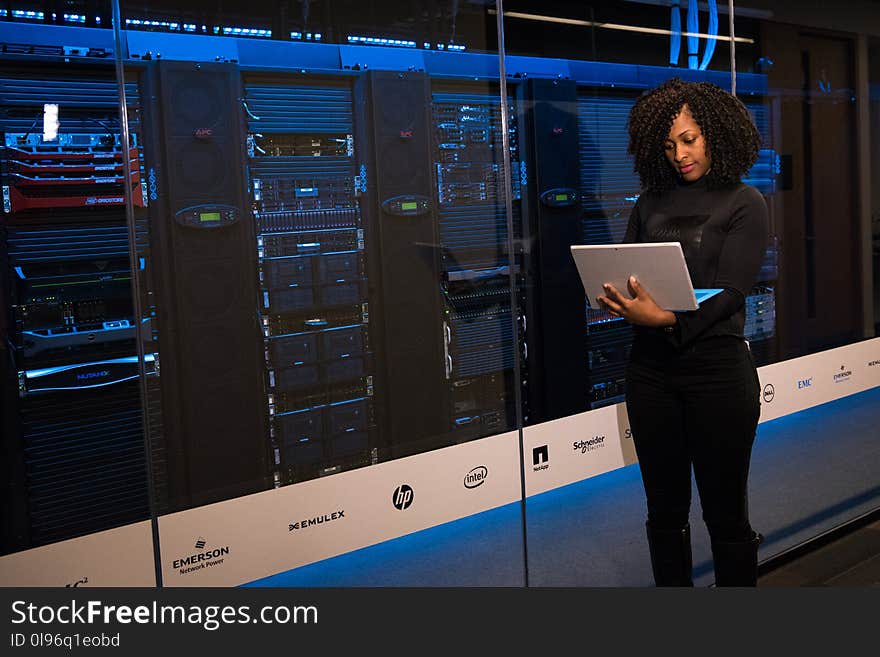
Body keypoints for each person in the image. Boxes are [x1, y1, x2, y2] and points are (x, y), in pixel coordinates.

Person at [597, 78, 769, 587]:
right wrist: (621, 299)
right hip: (651, 375)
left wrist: (667, 318)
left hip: (718, 374)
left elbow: (732, 291)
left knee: (725, 514)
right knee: (664, 513)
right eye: (669, 145)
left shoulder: (744, 201)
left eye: (689, 139)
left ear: (715, 134)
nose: (679, 154)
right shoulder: (649, 202)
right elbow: (624, 267)